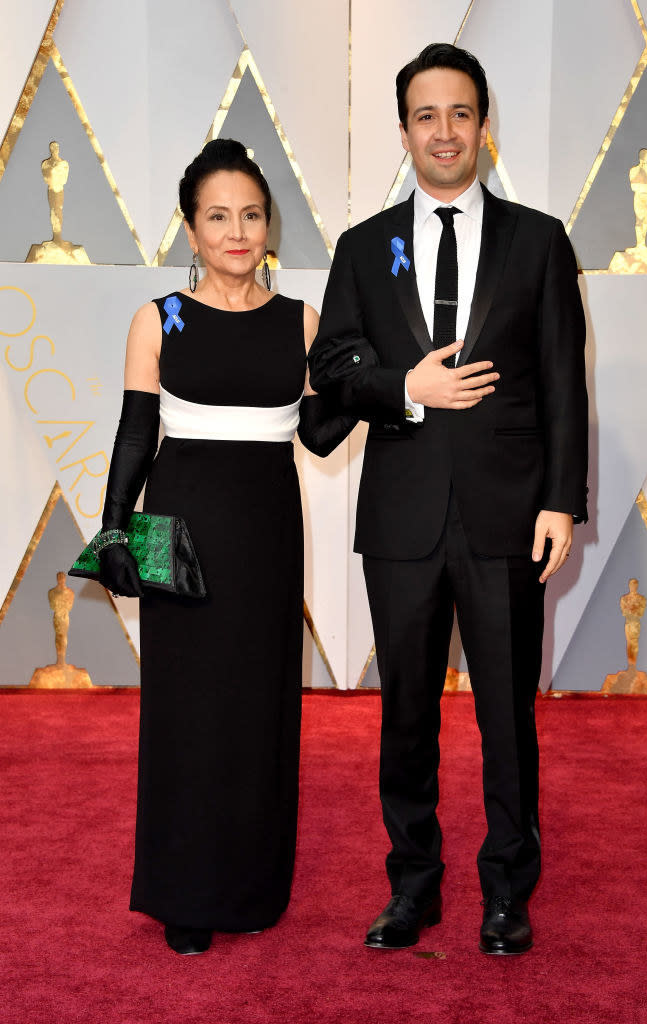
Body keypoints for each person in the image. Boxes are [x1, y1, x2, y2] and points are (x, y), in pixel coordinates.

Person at [309, 43, 588, 955]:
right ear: (404, 131)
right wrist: (405, 387)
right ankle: (414, 886)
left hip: (510, 514)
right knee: (407, 717)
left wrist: (560, 501)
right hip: (401, 516)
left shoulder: (539, 240)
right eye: (425, 115)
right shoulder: (361, 246)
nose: (444, 131)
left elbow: (559, 378)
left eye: (460, 113)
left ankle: (508, 888)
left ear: (484, 127)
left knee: (508, 715)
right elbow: (335, 367)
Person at [96, 138, 350, 955]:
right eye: (217, 216)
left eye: (250, 214)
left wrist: (362, 387)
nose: (236, 231)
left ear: (268, 225)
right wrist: (112, 530)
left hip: (268, 528)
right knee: (184, 709)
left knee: (259, 704)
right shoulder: (158, 317)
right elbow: (137, 435)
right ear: (190, 228)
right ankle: (183, 894)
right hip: (175, 523)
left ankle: (250, 886)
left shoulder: (299, 320)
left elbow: (314, 436)